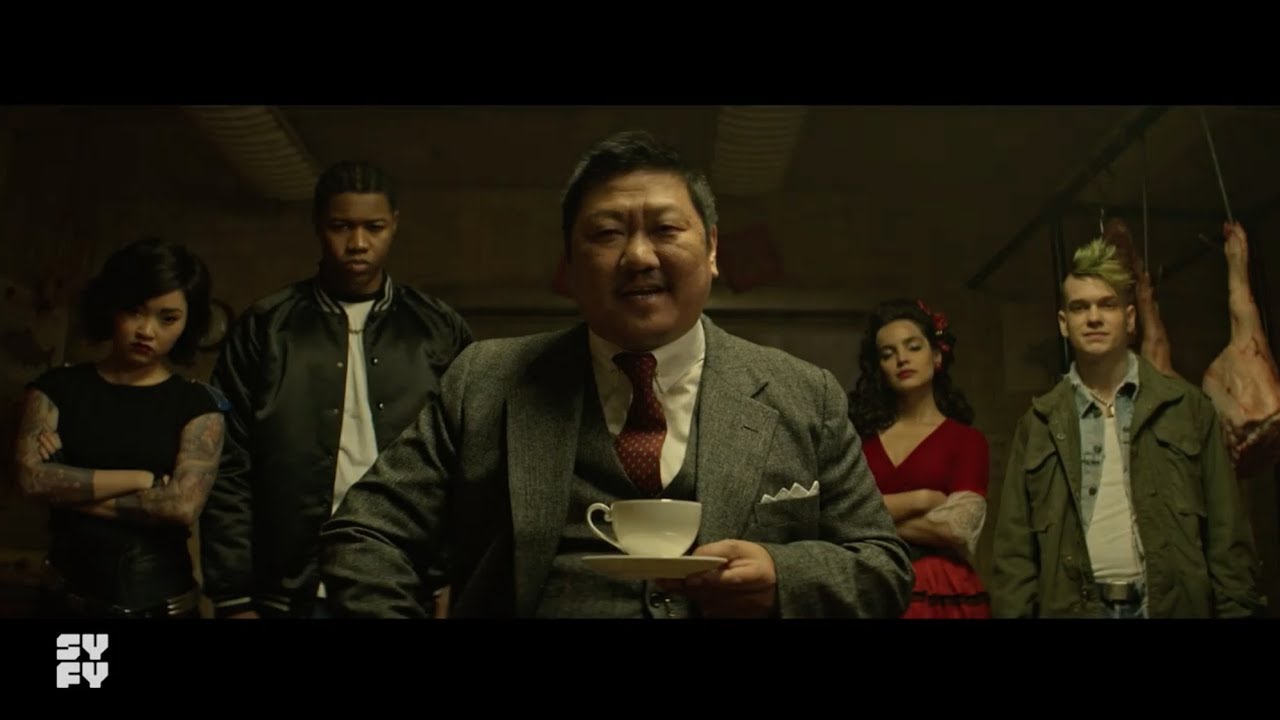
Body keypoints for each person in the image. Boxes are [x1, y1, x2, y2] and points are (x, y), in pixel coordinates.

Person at [317, 130, 914, 618]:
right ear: (570, 262)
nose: (638, 256)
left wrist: (784, 576)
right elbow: (365, 533)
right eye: (606, 233)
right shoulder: (485, 381)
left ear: (711, 249)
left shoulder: (805, 393)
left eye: (665, 229)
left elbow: (883, 568)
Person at [200, 160, 474, 619]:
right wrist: (232, 595)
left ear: (395, 225)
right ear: (317, 225)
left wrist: (451, 572)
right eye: (341, 226)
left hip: (405, 582)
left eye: (374, 227)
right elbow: (229, 464)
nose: (358, 243)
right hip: (288, 590)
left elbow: (466, 462)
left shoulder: (437, 328)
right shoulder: (266, 327)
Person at [991, 237, 1264, 618]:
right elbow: (1014, 554)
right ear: (1064, 324)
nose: (1094, 318)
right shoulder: (1039, 423)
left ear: (1131, 318)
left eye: (1108, 305)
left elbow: (1228, 535)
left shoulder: (1186, 408)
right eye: (1080, 307)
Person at [14, 237, 227, 618]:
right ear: (111, 306)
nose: (147, 330)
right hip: (66, 606)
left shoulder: (198, 405)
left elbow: (181, 506)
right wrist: (142, 479)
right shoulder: (56, 389)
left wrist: (68, 491)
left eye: (167, 318)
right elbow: (31, 479)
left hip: (161, 608)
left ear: (187, 323)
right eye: (134, 310)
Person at [849, 298, 991, 618]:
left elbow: (958, 528)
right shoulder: (859, 442)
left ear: (937, 356)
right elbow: (838, 514)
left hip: (943, 592)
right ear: (880, 369)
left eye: (913, 347)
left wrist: (870, 520)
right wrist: (923, 499)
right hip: (869, 581)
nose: (902, 358)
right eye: (888, 353)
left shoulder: (967, 441)